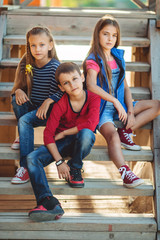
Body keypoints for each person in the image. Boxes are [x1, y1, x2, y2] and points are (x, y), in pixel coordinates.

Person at [83, 15, 160, 188]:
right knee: (111, 136)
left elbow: (125, 87)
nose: (110, 39)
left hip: (122, 106)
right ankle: (126, 173)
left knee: (156, 105)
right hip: (103, 109)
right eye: (106, 34)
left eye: (114, 35)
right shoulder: (93, 59)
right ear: (98, 35)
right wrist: (114, 102)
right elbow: (91, 85)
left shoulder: (117, 56)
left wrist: (130, 112)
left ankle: (125, 130)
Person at [26, 62, 101, 221]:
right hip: (61, 144)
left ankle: (75, 167)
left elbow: (91, 124)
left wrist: (66, 132)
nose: (72, 85)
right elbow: (48, 135)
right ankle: (48, 201)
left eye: (74, 79)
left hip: (81, 142)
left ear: (82, 78)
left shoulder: (94, 98)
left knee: (87, 134)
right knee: (32, 158)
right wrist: (59, 162)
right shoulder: (60, 104)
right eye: (66, 83)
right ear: (61, 87)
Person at [11, 26, 63, 184]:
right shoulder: (26, 63)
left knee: (25, 121)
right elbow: (17, 87)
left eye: (41, 44)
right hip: (33, 108)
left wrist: (49, 100)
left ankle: (25, 168)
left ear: (50, 45)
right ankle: (24, 133)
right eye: (32, 45)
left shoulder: (55, 67)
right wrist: (19, 90)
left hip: (48, 113)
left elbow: (64, 91)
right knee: (16, 99)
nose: (37, 49)